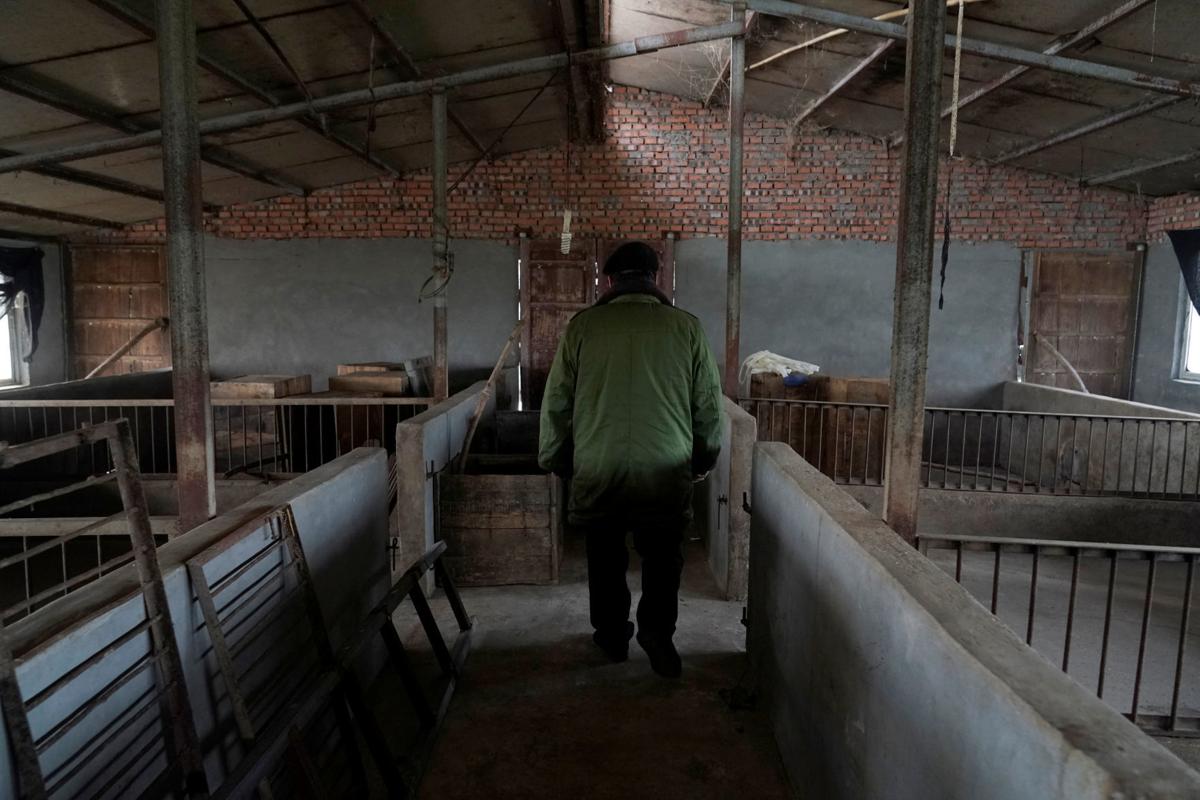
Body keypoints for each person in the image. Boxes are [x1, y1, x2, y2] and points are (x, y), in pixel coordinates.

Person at [538, 241, 723, 678]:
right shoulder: (687, 329)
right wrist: (703, 457)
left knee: (605, 558)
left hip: (598, 468)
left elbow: (557, 403)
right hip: (665, 468)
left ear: (608, 281)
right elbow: (709, 407)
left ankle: (612, 637)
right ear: (656, 278)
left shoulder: (582, 328)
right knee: (662, 558)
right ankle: (657, 634)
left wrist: (557, 458)